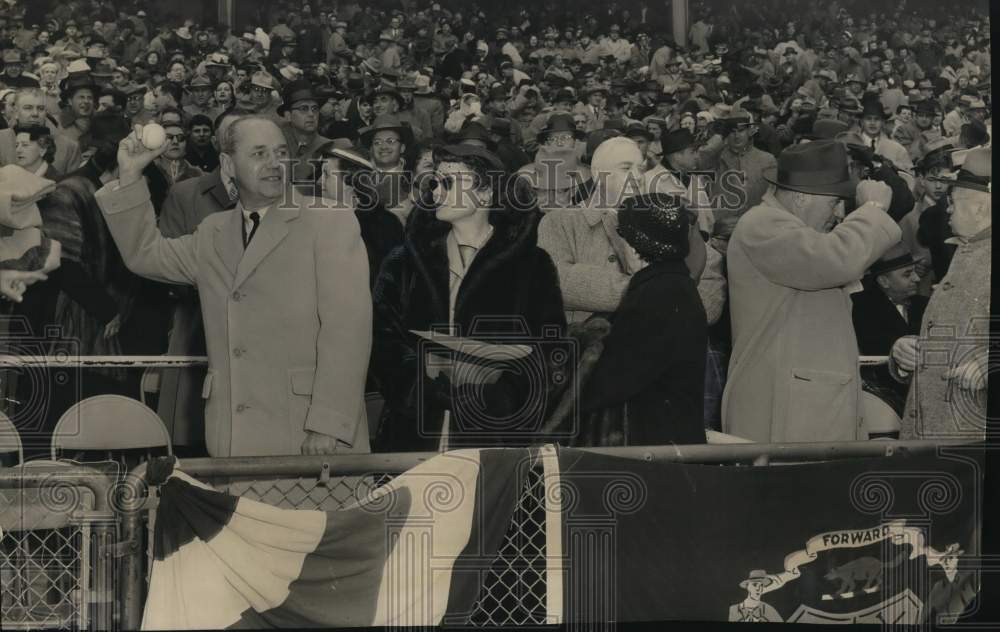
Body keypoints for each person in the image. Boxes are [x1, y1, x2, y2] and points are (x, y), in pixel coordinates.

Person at [94, 115, 372, 457]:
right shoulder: (213, 231)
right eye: (258, 154)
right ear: (228, 164)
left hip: (309, 436)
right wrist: (131, 174)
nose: (274, 164)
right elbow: (144, 255)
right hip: (232, 436)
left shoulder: (329, 220)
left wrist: (328, 424)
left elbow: (348, 331)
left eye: (280, 152)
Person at [371, 144, 565, 452]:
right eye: (434, 182)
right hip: (413, 432)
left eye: (450, 182)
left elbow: (549, 348)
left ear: (486, 193)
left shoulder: (532, 265)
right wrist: (420, 390)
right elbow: (383, 338)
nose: (436, 191)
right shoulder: (404, 261)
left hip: (495, 437)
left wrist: (499, 398)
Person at [722, 140, 900, 443]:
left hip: (802, 402)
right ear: (803, 198)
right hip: (787, 406)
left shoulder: (793, 230)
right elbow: (837, 259)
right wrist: (872, 209)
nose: (840, 211)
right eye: (834, 202)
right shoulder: (762, 224)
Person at [574, 193, 707, 446]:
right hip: (669, 440)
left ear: (634, 245)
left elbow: (614, 379)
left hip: (654, 450)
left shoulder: (658, 294)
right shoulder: (674, 286)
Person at [890, 146, 990, 441]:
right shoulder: (965, 251)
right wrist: (904, 353)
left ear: (980, 208)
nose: (947, 209)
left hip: (970, 438)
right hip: (939, 434)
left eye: (953, 202)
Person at [851, 241, 927, 437]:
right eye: (907, 274)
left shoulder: (926, 304)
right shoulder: (859, 308)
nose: (918, 278)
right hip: (882, 404)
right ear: (884, 281)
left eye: (915, 271)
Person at [0, 88, 82, 174]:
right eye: (28, 108)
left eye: (41, 108)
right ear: (16, 112)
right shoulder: (1, 141)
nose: (35, 113)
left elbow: (75, 184)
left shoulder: (69, 147)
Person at [277, 79, 330, 184]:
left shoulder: (329, 147)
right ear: (288, 116)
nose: (311, 114)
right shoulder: (276, 145)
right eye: (304, 108)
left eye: (315, 109)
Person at [153, 117, 203, 186]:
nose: (175, 142)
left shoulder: (197, 173)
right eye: (168, 137)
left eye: (180, 138)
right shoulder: (150, 172)